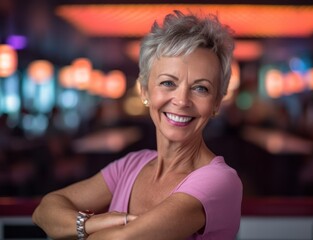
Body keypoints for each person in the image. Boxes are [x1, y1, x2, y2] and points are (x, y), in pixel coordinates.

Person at [32, 10, 243, 240]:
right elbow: (44, 210)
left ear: (216, 103)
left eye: (200, 88)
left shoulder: (220, 181)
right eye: (168, 83)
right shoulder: (131, 165)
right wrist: (95, 223)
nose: (182, 101)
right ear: (145, 92)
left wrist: (75, 229)